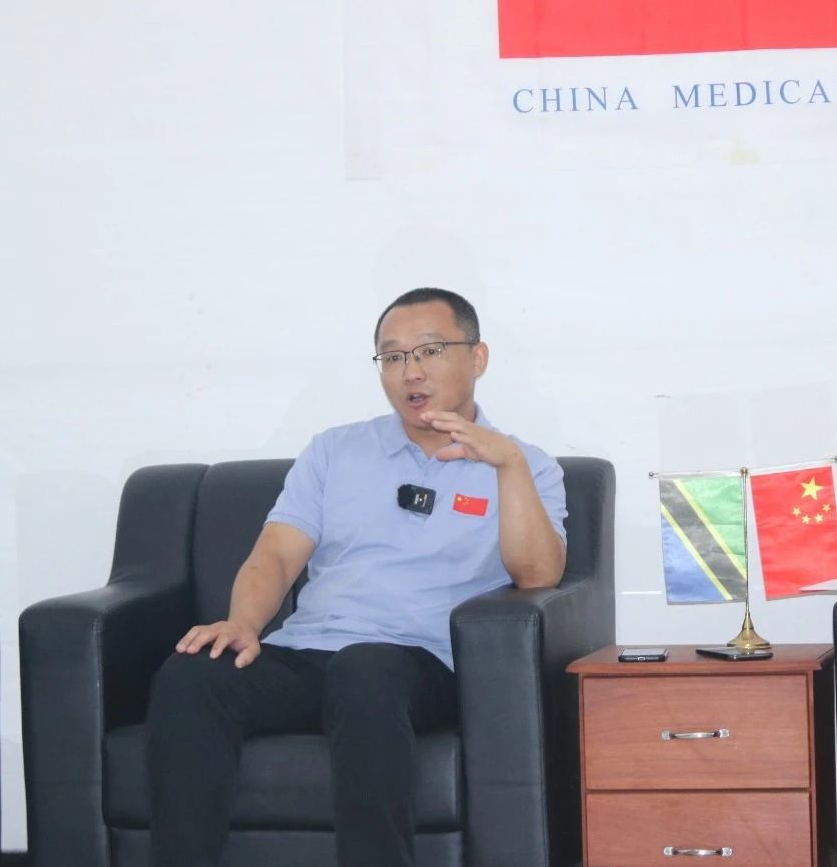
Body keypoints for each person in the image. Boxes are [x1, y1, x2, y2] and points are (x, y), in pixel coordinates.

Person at [144, 288, 568, 867]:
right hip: (311, 652)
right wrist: (242, 624)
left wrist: (507, 465)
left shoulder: (526, 464)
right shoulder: (335, 451)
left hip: (420, 662)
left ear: (478, 358)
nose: (409, 372)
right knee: (194, 672)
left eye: (429, 351)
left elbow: (539, 573)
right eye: (391, 358)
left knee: (366, 668)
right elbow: (276, 556)